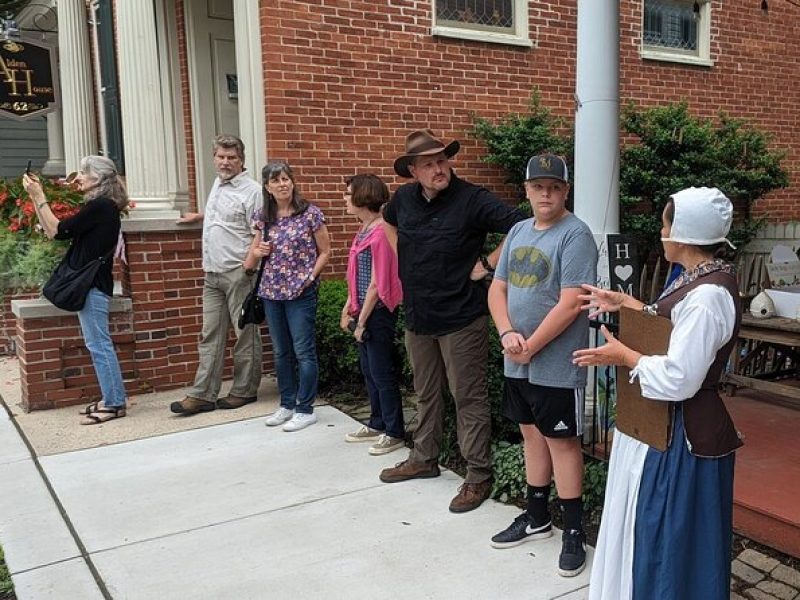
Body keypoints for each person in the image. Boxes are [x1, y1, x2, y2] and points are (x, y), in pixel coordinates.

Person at [573, 187, 742, 599]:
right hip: (656, 428)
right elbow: (670, 327)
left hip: (679, 439)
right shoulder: (695, 278)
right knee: (650, 533)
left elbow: (680, 376)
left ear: (682, 234)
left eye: (666, 224)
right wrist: (627, 303)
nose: (661, 230)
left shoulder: (707, 296)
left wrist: (623, 355)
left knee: (668, 542)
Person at [379, 129, 525, 513]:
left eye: (442, 160)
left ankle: (478, 475)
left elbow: (521, 225)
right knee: (426, 393)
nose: (438, 168)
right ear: (413, 170)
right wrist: (401, 255)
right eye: (428, 164)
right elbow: (387, 220)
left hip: (462, 317)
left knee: (468, 397)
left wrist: (488, 264)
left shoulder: (472, 199)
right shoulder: (404, 200)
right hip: (418, 316)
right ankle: (424, 458)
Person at [487, 154, 598, 577]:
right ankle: (537, 516)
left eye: (554, 186)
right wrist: (507, 335)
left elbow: (572, 303)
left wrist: (531, 344)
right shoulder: (517, 231)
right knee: (531, 435)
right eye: (538, 186)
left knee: (562, 443)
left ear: (565, 190)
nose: (546, 193)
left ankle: (572, 530)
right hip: (517, 358)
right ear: (527, 189)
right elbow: (497, 290)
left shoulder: (576, 235)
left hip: (556, 363)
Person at [23, 156, 129, 425]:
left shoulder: (102, 206)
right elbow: (53, 232)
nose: (78, 177)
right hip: (91, 286)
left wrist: (40, 194)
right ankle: (110, 399)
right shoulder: (100, 207)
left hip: (92, 286)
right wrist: (36, 198)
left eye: (84, 172)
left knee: (99, 345)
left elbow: (58, 229)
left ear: (98, 179)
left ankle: (115, 403)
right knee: (97, 344)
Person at [171, 134, 263, 416]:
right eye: (221, 157)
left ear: (241, 160)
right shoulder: (218, 184)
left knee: (244, 333)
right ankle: (203, 394)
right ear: (214, 158)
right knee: (209, 334)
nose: (225, 162)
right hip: (211, 272)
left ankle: (244, 390)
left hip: (238, 271)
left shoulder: (252, 191)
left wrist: (248, 267)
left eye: (231, 158)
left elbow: (259, 231)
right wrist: (199, 216)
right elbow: (225, 216)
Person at [245, 161, 331, 432]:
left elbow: (326, 252)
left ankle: (305, 409)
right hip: (271, 292)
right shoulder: (264, 216)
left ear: (292, 182)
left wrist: (308, 279)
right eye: (275, 181)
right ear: (267, 188)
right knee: (281, 352)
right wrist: (258, 253)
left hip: (300, 293)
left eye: (285, 179)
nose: (282, 184)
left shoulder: (310, 214)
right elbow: (248, 263)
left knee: (303, 351)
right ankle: (287, 403)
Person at [340, 174, 405, 455]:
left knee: (382, 373)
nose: (344, 198)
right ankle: (376, 422)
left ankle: (394, 431)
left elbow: (378, 282)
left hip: (377, 314)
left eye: (348, 193)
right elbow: (355, 277)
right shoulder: (363, 230)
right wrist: (347, 307)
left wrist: (362, 321)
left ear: (362, 197)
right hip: (362, 311)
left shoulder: (381, 232)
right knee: (369, 371)